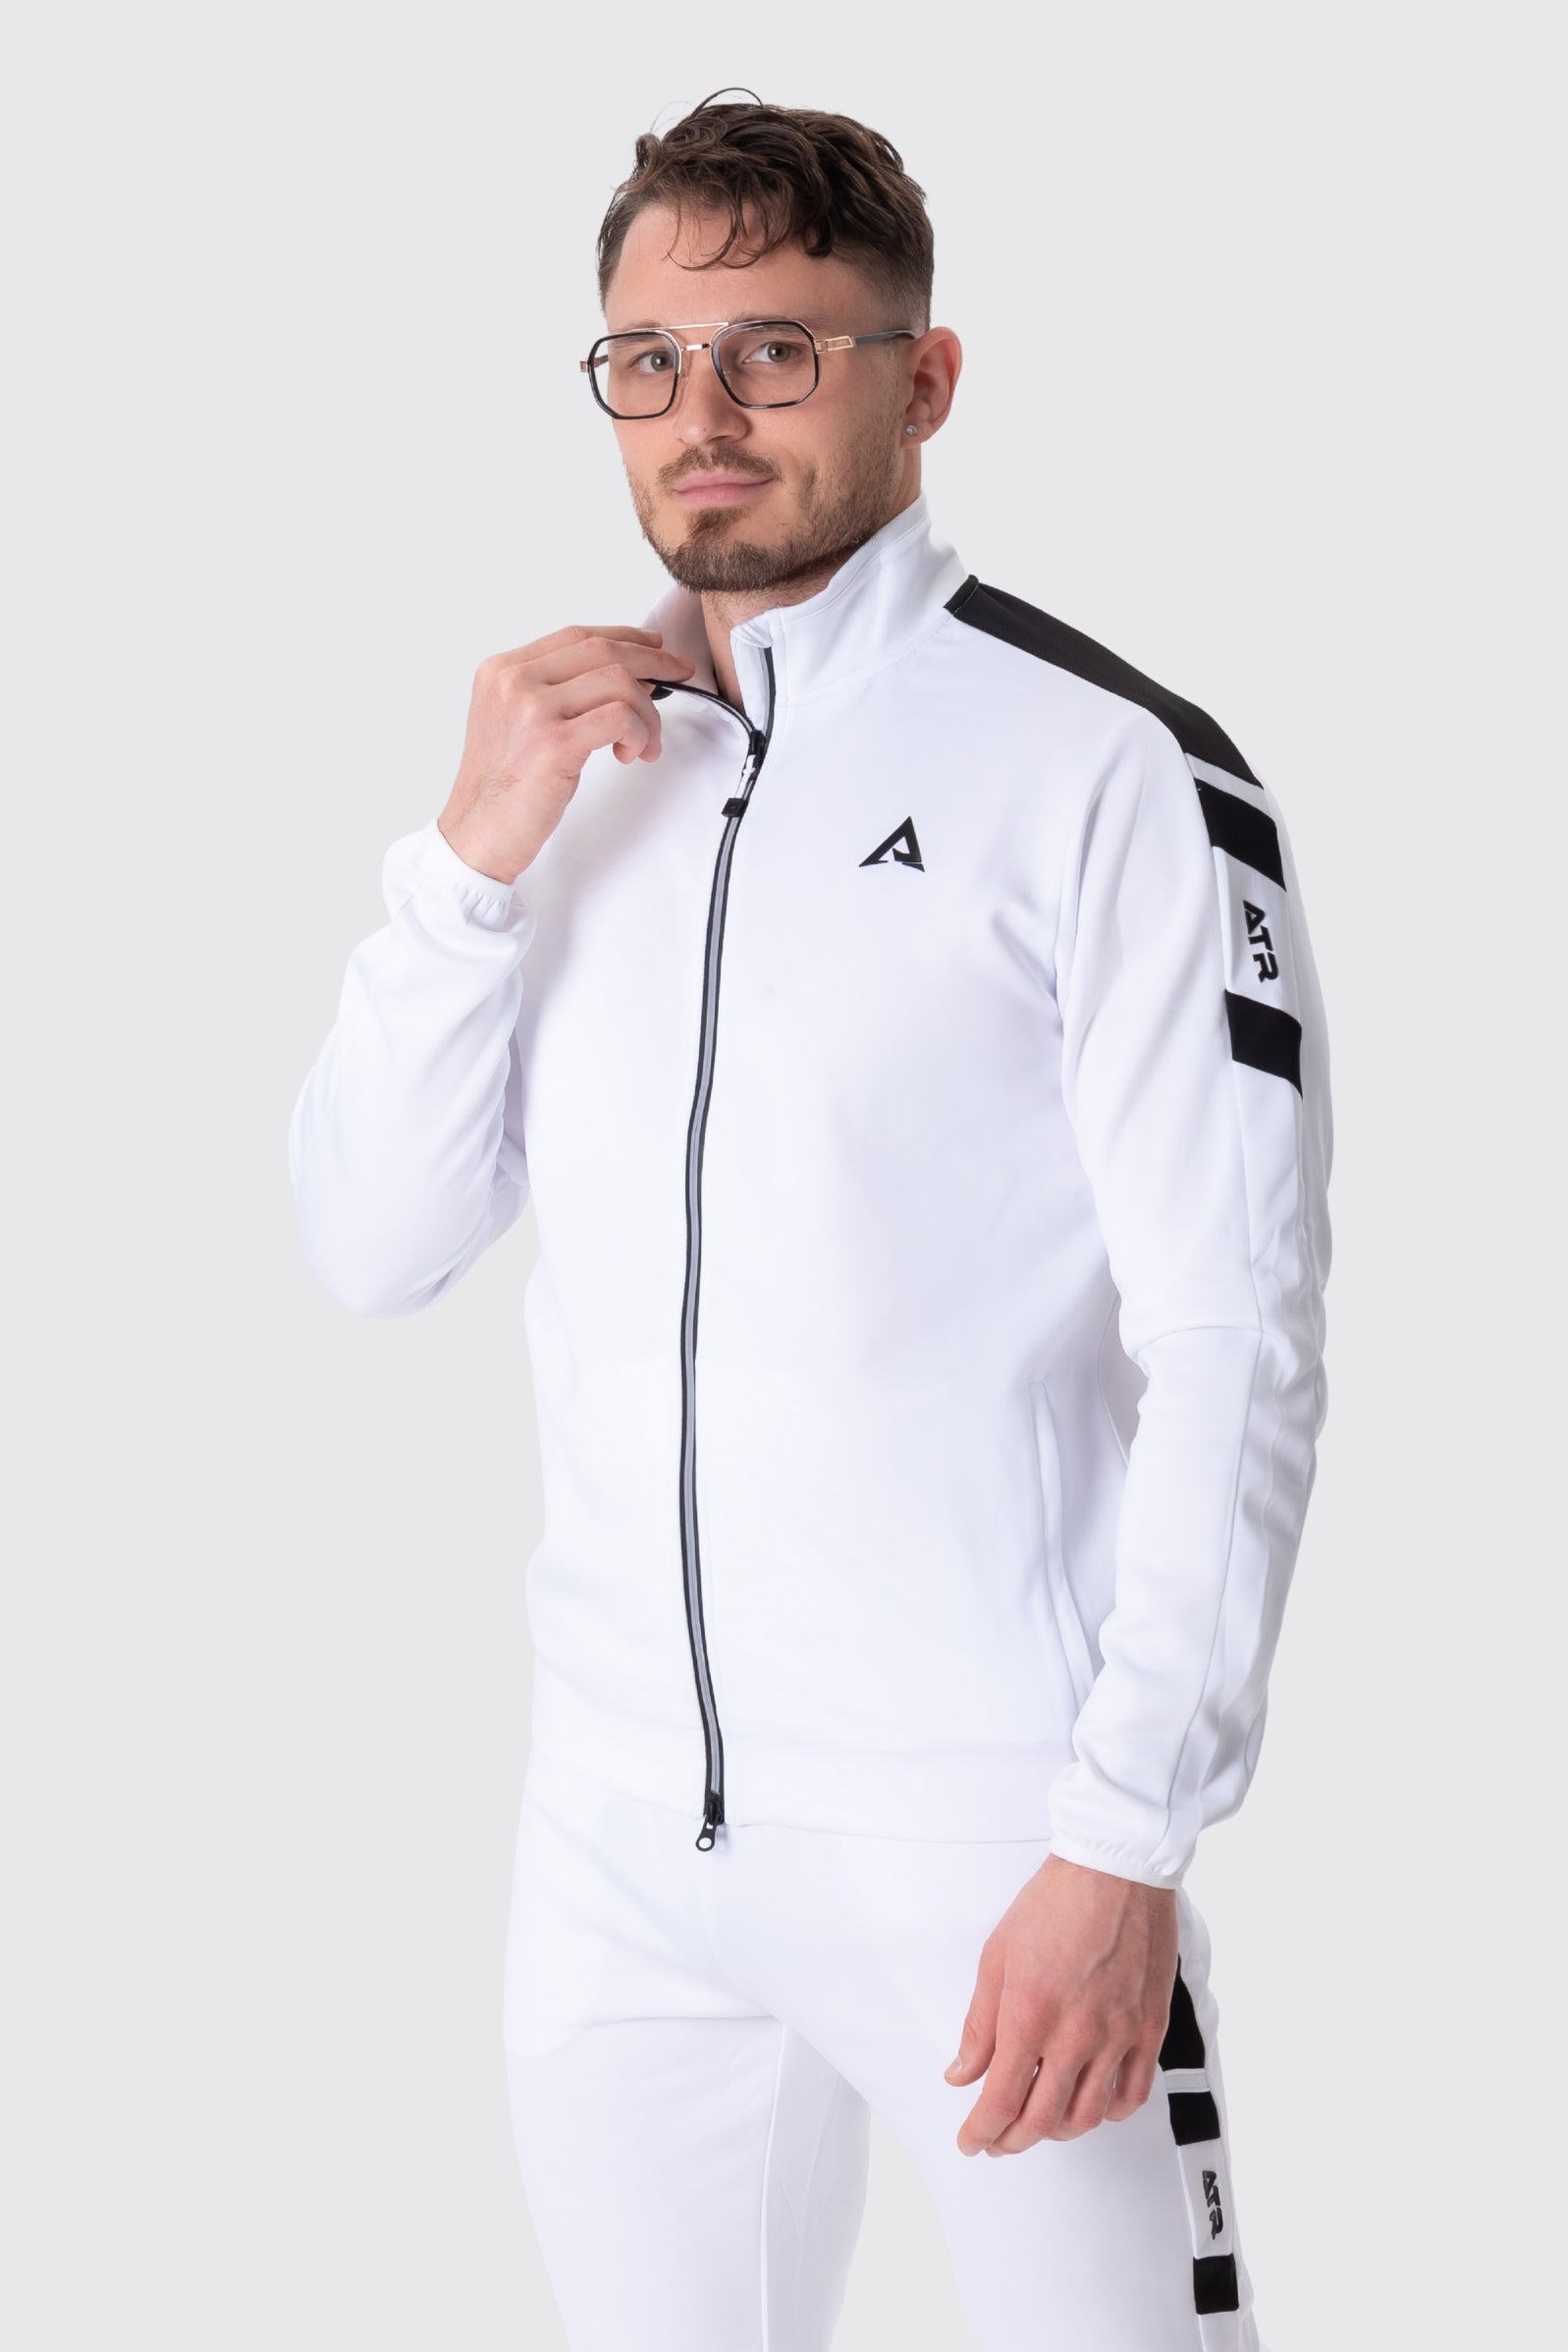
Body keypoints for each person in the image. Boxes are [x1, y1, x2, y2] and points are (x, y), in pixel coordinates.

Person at [289, 90, 1330, 2352]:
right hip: (613, 1842)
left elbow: (1233, 1338)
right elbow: (371, 1243)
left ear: (920, 381)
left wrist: (1122, 1838)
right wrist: (462, 867)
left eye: (776, 351)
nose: (704, 415)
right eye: (648, 361)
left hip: (989, 1830)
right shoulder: (576, 770)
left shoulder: (1102, 767)